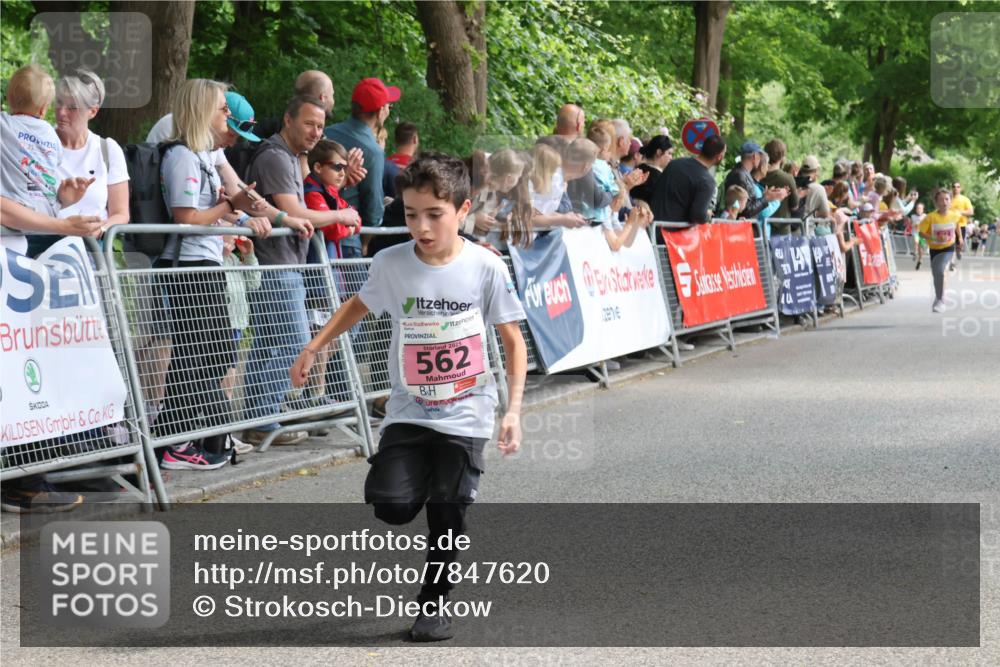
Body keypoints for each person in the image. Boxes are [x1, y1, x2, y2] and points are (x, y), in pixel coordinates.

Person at [289, 153, 527, 642]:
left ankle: (433, 604)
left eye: (433, 215)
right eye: (411, 214)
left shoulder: (485, 266)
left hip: (466, 412)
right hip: (409, 408)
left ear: (462, 211)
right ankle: (417, 481)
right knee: (392, 506)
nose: (420, 226)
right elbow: (359, 305)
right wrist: (315, 345)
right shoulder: (390, 263)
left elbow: (512, 341)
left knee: (448, 512)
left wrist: (514, 411)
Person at [0, 64, 100, 513]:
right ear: (43, 107)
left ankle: (25, 479)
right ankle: (21, 484)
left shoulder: (10, 128)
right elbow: (8, 208)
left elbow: (23, 201)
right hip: (12, 260)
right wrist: (63, 220)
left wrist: (63, 202)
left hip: (17, 261)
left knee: (22, 370)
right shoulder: (36, 134)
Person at [154, 79, 261, 470]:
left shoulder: (200, 156)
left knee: (206, 355)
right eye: (223, 109)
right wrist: (229, 205)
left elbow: (205, 210)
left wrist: (231, 206)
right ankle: (171, 441)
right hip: (190, 265)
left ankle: (169, 440)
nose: (227, 117)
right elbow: (186, 219)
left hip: (205, 262)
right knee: (207, 355)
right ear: (203, 111)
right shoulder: (182, 155)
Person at [244, 94, 346, 446]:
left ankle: (258, 419)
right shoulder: (274, 156)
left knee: (269, 344)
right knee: (294, 342)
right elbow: (294, 211)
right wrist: (339, 215)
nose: (316, 132)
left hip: (283, 263)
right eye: (309, 123)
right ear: (288, 120)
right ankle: (263, 417)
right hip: (276, 264)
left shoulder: (291, 157)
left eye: (320, 126)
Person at [25, 69, 128, 256]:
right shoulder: (37, 144)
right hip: (40, 249)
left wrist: (101, 229)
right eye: (58, 103)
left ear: (93, 111)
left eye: (72, 107)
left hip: (91, 251)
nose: (61, 112)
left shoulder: (108, 149)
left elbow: (120, 213)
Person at [325, 77, 401, 258]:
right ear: (380, 111)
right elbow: (373, 207)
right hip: (348, 240)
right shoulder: (372, 150)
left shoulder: (326, 133)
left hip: (318, 233)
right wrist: (365, 242)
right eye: (388, 107)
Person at [650, 133, 727, 225]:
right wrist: (707, 215)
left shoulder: (675, 163)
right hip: (672, 234)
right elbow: (698, 216)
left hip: (651, 227)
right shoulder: (707, 182)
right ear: (719, 157)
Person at [304, 138, 360, 259]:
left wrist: (351, 224)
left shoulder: (330, 191)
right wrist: (349, 230)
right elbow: (333, 231)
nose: (343, 173)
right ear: (318, 167)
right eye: (337, 167)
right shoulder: (312, 193)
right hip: (317, 265)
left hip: (330, 259)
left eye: (344, 168)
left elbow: (355, 216)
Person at [919, 188, 962, 313]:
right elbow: (921, 233)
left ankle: (940, 300)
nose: (944, 202)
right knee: (937, 274)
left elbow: (957, 225)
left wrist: (960, 238)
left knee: (941, 271)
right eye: (941, 200)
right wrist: (934, 237)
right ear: (936, 202)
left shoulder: (954, 215)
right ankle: (938, 297)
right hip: (935, 249)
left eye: (947, 199)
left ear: (950, 201)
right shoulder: (930, 217)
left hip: (948, 248)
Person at [719, 141, 786, 219]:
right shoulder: (739, 176)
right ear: (755, 156)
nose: (761, 160)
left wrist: (764, 196)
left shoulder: (742, 174)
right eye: (760, 157)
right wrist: (766, 198)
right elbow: (745, 209)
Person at [760, 139, 799, 234]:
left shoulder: (758, 176)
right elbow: (795, 206)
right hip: (782, 230)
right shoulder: (788, 179)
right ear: (782, 156)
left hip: (760, 229)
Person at [630, 134, 673, 204]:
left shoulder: (638, 169)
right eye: (669, 153)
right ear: (659, 152)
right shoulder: (658, 178)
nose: (671, 157)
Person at [949, 181, 974, 268]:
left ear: (961, 188)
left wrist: (960, 212)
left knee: (959, 244)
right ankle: (952, 262)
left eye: (958, 186)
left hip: (962, 225)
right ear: (951, 188)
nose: (956, 188)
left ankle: (958, 251)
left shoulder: (965, 199)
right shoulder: (948, 199)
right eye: (954, 186)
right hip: (950, 225)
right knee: (951, 243)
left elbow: (971, 212)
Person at [797, 155, 831, 221]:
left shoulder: (793, 184)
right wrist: (815, 215)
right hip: (808, 228)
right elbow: (825, 212)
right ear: (816, 171)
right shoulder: (819, 189)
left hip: (788, 228)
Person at [910, 202, 928, 269]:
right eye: (917, 208)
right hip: (915, 232)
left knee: (921, 248)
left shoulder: (925, 216)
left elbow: (927, 225)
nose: (919, 210)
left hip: (922, 234)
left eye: (920, 208)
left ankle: (920, 260)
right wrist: (914, 225)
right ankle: (915, 253)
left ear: (923, 209)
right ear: (916, 209)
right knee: (916, 241)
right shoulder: (913, 216)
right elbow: (911, 225)